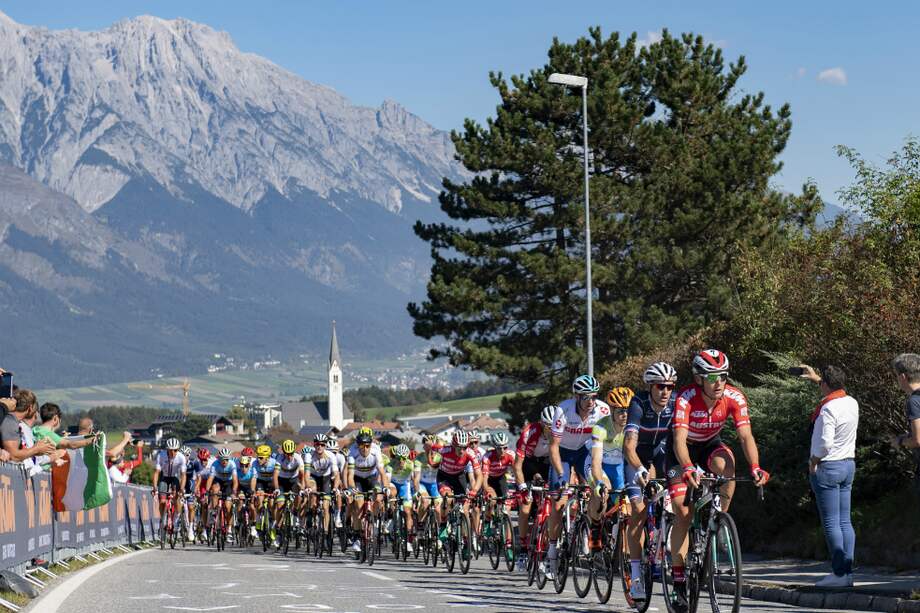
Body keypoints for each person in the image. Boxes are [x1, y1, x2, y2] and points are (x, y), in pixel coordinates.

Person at [666, 350, 770, 611]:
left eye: (723, 376)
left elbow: (745, 437)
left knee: (728, 465)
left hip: (710, 445)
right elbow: (679, 440)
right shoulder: (686, 398)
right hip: (682, 451)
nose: (719, 382)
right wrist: (688, 467)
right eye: (712, 377)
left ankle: (718, 520)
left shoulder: (734, 397)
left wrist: (756, 467)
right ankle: (678, 581)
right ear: (699, 379)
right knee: (683, 512)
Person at [545, 374, 611, 580]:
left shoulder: (602, 410)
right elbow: (553, 447)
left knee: (600, 489)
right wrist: (563, 476)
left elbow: (604, 445)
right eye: (585, 397)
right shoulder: (562, 410)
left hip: (584, 452)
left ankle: (594, 539)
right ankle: (552, 552)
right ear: (576, 397)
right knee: (559, 501)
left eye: (593, 396)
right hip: (562, 453)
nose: (590, 402)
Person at [799, 364, 859, 587]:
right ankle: (848, 572)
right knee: (845, 521)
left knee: (831, 523)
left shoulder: (827, 409)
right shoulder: (851, 402)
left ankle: (839, 574)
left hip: (827, 466)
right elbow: (834, 390)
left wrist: (813, 462)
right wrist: (818, 379)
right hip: (847, 464)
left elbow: (824, 444)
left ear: (825, 385)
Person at [623, 361, 678, 602]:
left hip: (662, 451)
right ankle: (635, 576)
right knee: (638, 510)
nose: (665, 391)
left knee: (677, 498)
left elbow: (682, 440)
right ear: (650, 386)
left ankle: (666, 546)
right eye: (659, 386)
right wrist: (641, 471)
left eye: (669, 386)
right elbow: (628, 446)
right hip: (637, 456)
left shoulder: (675, 403)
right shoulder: (638, 404)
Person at [586, 387, 632, 540]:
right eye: (620, 411)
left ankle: (618, 539)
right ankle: (595, 529)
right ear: (611, 410)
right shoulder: (601, 428)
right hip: (599, 465)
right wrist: (599, 483)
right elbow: (596, 462)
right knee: (603, 493)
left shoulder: (633, 427)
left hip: (619, 467)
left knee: (627, 504)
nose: (624, 415)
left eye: (627, 410)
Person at [513, 405, 554, 570]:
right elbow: (517, 465)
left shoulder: (562, 432)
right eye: (547, 426)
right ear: (541, 423)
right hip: (528, 465)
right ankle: (522, 549)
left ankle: (547, 548)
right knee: (525, 506)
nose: (551, 430)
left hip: (548, 463)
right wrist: (523, 487)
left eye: (554, 426)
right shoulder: (529, 432)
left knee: (551, 507)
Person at [346, 431, 390, 552]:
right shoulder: (352, 453)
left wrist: (385, 487)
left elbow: (382, 472)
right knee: (358, 504)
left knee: (379, 498)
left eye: (367, 446)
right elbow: (350, 475)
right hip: (358, 479)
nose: (365, 449)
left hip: (372, 478)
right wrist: (351, 488)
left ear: (371, 445)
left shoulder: (376, 451)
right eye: (361, 446)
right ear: (357, 445)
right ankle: (357, 537)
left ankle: (373, 520)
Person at [890, 353, 920, 497]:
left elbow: (918, 440)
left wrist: (899, 441)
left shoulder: (913, 401)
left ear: (902, 377)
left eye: (896, 375)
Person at [1, 389, 56, 464]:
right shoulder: (10, 422)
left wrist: (37, 451)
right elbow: (13, 456)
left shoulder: (13, 421)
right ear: (30, 408)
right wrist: (36, 449)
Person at [151, 438, 188, 525]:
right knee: (162, 501)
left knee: (176, 497)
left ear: (178, 449)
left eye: (175, 450)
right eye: (170, 450)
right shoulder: (161, 455)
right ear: (167, 449)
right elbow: (156, 473)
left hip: (174, 478)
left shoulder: (181, 457)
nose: (173, 453)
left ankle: (176, 518)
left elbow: (183, 475)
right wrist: (154, 487)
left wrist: (182, 488)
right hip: (164, 477)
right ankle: (162, 518)